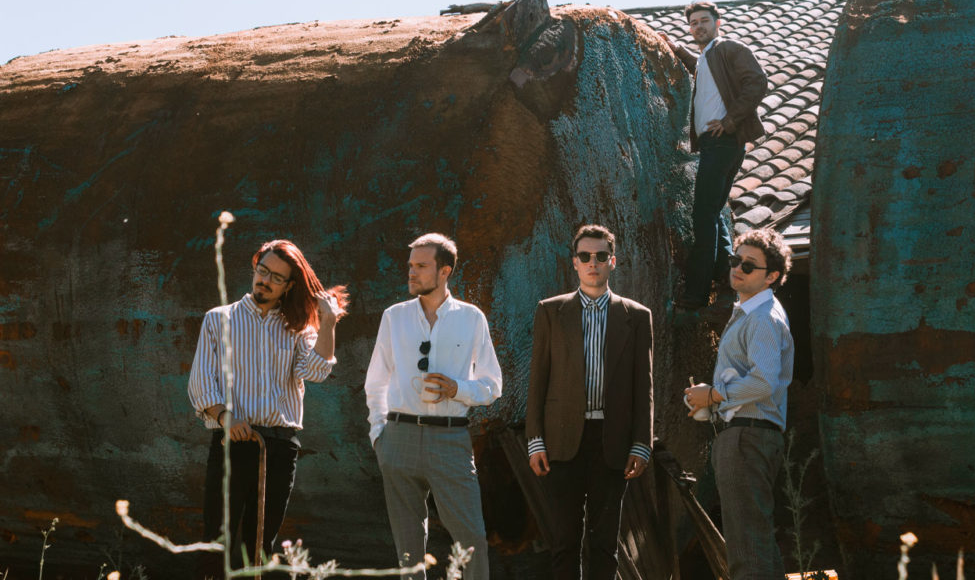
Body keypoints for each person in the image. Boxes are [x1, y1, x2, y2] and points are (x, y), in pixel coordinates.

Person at [187, 239, 347, 577]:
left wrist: (328, 322)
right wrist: (225, 417)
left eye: (276, 277)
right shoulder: (219, 319)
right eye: (263, 271)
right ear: (255, 268)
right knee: (217, 540)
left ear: (289, 286)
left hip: (280, 447)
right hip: (232, 442)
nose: (265, 280)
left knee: (260, 544)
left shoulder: (297, 327)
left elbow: (316, 371)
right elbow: (201, 381)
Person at [364, 233, 502, 580]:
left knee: (471, 541)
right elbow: (376, 381)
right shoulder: (394, 317)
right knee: (408, 550)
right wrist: (380, 436)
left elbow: (492, 385)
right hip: (398, 438)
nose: (412, 272)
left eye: (421, 266)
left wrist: (457, 389)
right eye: (411, 265)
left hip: (450, 441)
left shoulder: (471, 318)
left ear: (445, 271)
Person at [525, 224, 654, 580]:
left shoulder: (636, 316)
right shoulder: (551, 312)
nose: (592, 262)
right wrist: (535, 440)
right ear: (575, 262)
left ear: (613, 261)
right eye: (585, 256)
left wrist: (641, 444)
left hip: (612, 441)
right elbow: (538, 380)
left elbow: (644, 386)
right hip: (562, 440)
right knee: (564, 541)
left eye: (600, 256)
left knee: (605, 543)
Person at [684, 228, 794, 580]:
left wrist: (713, 395)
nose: (737, 268)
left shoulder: (762, 317)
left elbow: (763, 382)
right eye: (735, 260)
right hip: (748, 435)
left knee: (747, 551)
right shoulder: (751, 313)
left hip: (747, 437)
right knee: (756, 545)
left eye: (749, 265)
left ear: (771, 276)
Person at [659, 1, 769, 310]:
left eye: (704, 21)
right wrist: (677, 48)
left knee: (702, 216)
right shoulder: (707, 58)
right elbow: (700, 68)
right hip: (715, 145)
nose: (698, 27)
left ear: (717, 23)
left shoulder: (728, 48)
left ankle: (696, 293)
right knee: (714, 213)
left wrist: (730, 120)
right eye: (693, 23)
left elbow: (757, 81)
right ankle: (725, 283)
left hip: (723, 141)